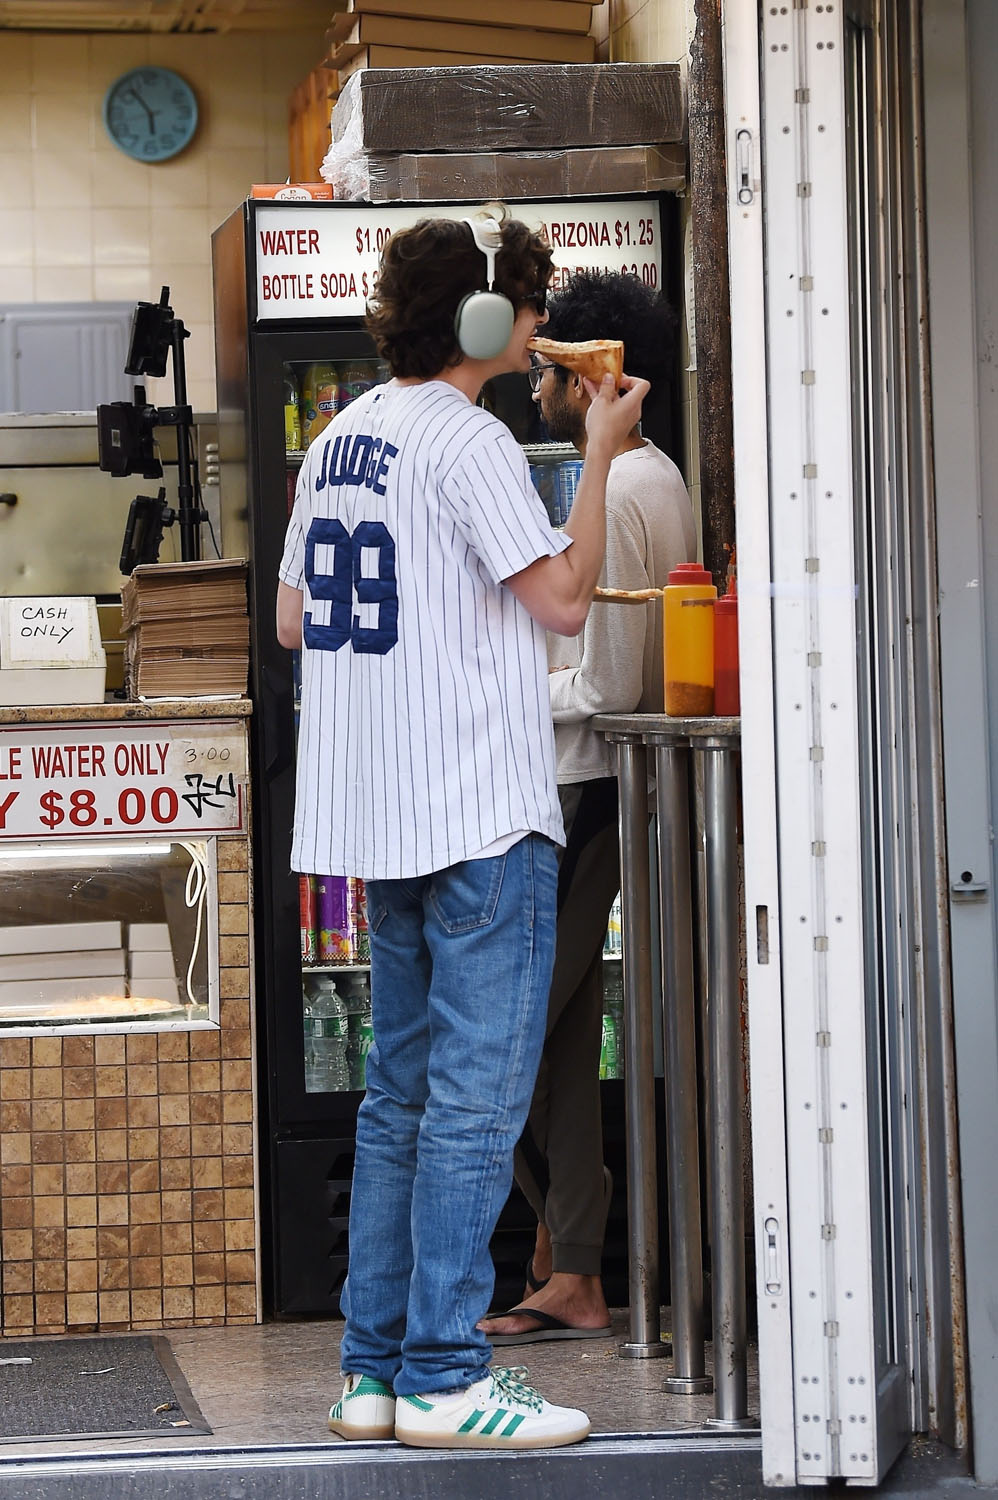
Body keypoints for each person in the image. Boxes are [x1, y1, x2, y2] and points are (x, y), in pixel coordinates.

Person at [276, 209, 649, 1450]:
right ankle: (444, 1373)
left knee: (398, 1100)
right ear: (487, 320)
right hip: (478, 809)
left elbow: (290, 618)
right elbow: (558, 599)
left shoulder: (338, 439)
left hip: (376, 810)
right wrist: (599, 452)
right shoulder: (470, 436)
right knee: (476, 1105)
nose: (540, 328)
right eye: (531, 306)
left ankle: (372, 1371)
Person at [479, 270, 697, 1347]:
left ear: (598, 372)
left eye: (552, 363)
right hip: (605, 795)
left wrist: (491, 687)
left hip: (578, 793)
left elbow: (604, 687)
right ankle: (571, 1268)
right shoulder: (654, 477)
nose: (536, 381)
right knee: (556, 1040)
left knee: (500, 1032)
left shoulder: (612, 493)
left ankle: (570, 1255)